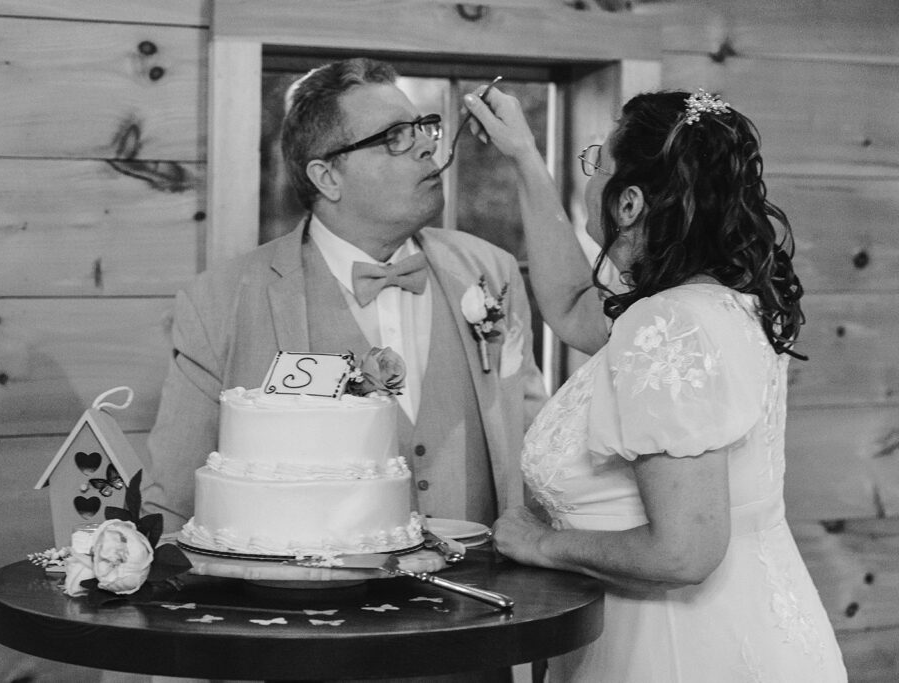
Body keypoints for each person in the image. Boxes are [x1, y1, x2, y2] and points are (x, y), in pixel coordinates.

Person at [461, 86, 848, 681]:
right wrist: (524, 157)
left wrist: (542, 544)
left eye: (598, 166)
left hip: (680, 647)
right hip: (749, 622)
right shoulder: (724, 300)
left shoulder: (665, 323)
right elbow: (569, 307)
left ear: (631, 203)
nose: (590, 181)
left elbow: (684, 551)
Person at [141, 57, 546, 561]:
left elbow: (540, 452)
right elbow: (174, 504)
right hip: (308, 619)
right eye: (396, 135)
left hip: (483, 605)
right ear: (327, 176)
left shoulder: (493, 272)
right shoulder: (220, 300)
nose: (426, 144)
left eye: (424, 127)